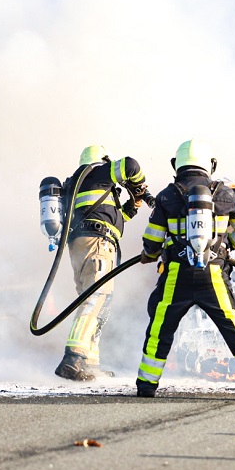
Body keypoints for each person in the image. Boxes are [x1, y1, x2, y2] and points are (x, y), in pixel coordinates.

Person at [135, 139, 235, 400]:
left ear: (176, 165)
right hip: (213, 275)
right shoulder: (225, 194)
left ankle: (146, 385)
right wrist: (226, 247)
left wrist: (150, 255)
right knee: (234, 327)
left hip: (176, 275)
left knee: (160, 329)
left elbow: (152, 241)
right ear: (210, 165)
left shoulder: (167, 196)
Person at [55, 145, 150, 381]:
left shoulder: (79, 184)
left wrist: (134, 204)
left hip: (86, 243)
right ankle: (73, 357)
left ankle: (89, 363)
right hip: (97, 244)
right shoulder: (96, 171)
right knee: (95, 298)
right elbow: (131, 165)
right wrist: (139, 185)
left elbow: (114, 217)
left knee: (99, 303)